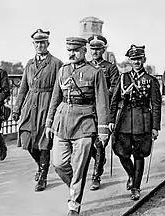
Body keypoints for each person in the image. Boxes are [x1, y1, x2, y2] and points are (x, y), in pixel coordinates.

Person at [45, 37, 110, 216]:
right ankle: (75, 185)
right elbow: (55, 98)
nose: (71, 54)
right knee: (58, 164)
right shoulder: (63, 71)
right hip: (62, 120)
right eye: (69, 51)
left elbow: (102, 103)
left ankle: (74, 205)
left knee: (79, 166)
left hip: (84, 123)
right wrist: (49, 123)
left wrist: (103, 130)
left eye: (75, 50)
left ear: (84, 51)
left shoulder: (95, 72)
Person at [12, 29, 63, 192]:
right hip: (30, 104)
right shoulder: (29, 63)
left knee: (43, 142)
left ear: (48, 44)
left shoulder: (56, 63)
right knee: (27, 139)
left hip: (47, 105)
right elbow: (23, 88)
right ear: (33, 45)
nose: (40, 45)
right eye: (37, 43)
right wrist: (17, 108)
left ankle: (43, 176)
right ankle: (41, 166)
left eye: (43, 42)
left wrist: (56, 112)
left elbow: (59, 90)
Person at [109, 44, 162, 201]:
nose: (136, 62)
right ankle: (131, 175)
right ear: (130, 61)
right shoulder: (123, 78)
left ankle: (136, 188)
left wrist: (155, 127)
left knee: (139, 154)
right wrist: (111, 120)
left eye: (139, 59)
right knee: (120, 151)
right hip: (124, 120)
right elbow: (114, 100)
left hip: (142, 121)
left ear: (143, 60)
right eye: (133, 59)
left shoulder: (151, 81)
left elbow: (156, 105)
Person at [87, 35, 119, 190]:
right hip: (87, 110)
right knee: (87, 142)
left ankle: (96, 176)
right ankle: (100, 160)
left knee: (100, 143)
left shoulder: (110, 67)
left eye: (98, 49)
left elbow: (115, 88)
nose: (95, 52)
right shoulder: (86, 66)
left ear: (103, 50)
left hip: (104, 110)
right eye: (92, 49)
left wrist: (103, 94)